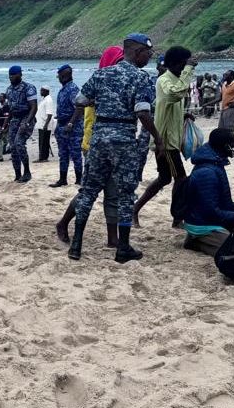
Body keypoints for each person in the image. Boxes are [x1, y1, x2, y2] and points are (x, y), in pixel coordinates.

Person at [63, 33, 162, 263]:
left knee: (88, 191)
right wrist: (157, 137)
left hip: (99, 137)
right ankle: (123, 247)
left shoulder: (101, 74)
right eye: (148, 53)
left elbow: (80, 100)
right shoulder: (141, 78)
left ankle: (76, 245)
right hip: (124, 138)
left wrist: (101, 102)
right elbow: (142, 111)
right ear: (137, 51)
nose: (149, 57)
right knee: (125, 194)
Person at [56, 46, 126, 249]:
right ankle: (63, 223)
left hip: (113, 146)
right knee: (89, 191)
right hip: (94, 145)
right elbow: (81, 105)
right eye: (119, 61)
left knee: (112, 192)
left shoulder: (118, 83)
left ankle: (112, 238)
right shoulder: (98, 83)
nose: (122, 66)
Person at [133, 47, 197, 226]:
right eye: (184, 64)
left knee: (164, 178)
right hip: (165, 141)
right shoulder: (164, 80)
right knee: (181, 178)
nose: (185, 68)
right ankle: (177, 218)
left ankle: (135, 209)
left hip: (171, 139)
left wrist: (183, 115)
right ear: (177, 64)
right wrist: (189, 70)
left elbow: (168, 105)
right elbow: (174, 94)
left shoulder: (175, 80)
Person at [180, 129, 234, 254]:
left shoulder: (215, 163)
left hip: (207, 218)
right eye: (233, 144)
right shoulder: (207, 173)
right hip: (202, 224)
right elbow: (210, 211)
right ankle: (197, 240)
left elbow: (224, 202)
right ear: (226, 146)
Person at [5, 65, 38, 183]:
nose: (11, 77)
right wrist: (5, 124)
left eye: (13, 75)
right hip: (15, 119)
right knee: (12, 147)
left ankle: (27, 172)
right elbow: (10, 108)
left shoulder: (29, 88)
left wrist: (27, 122)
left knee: (19, 143)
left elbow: (34, 107)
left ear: (20, 75)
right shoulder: (9, 89)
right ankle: (18, 174)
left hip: (26, 117)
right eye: (10, 75)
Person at [51, 66, 81, 187]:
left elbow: (79, 108)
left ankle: (79, 179)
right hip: (62, 125)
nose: (58, 78)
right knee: (63, 154)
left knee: (75, 154)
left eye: (59, 76)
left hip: (72, 127)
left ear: (65, 76)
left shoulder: (73, 89)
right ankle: (62, 179)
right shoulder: (63, 89)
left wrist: (71, 123)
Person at [35, 86, 54, 163]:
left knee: (44, 142)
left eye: (42, 90)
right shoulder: (44, 99)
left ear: (46, 91)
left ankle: (43, 158)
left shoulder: (48, 100)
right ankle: (43, 157)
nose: (40, 92)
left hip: (45, 124)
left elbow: (49, 114)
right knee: (43, 141)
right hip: (41, 123)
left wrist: (46, 125)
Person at [0, 92, 9, 162]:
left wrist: (4, 127)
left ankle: (0, 156)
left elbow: (6, 117)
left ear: (4, 98)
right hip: (1, 126)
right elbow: (2, 116)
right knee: (5, 140)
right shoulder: (2, 106)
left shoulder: (5, 106)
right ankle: (4, 151)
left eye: (0, 97)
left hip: (4, 127)